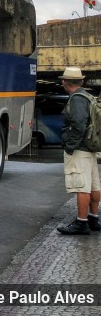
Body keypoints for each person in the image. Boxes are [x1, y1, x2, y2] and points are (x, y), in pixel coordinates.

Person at [56, 66, 101, 235]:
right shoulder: (88, 96)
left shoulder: (76, 99)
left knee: (81, 187)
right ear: (81, 81)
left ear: (64, 82)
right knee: (93, 184)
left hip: (80, 149)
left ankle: (81, 223)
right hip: (90, 148)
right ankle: (93, 218)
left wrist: (69, 146)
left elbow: (79, 125)